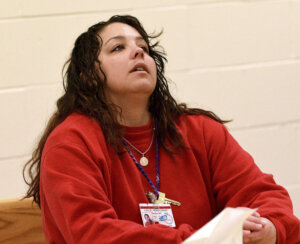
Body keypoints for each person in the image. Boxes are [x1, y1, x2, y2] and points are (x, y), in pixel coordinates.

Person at [23, 15, 300, 244]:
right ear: (88, 76)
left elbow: (262, 194)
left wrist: (271, 228)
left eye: (143, 46)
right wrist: (208, 238)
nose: (138, 51)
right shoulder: (71, 143)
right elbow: (94, 235)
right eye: (117, 48)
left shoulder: (199, 130)